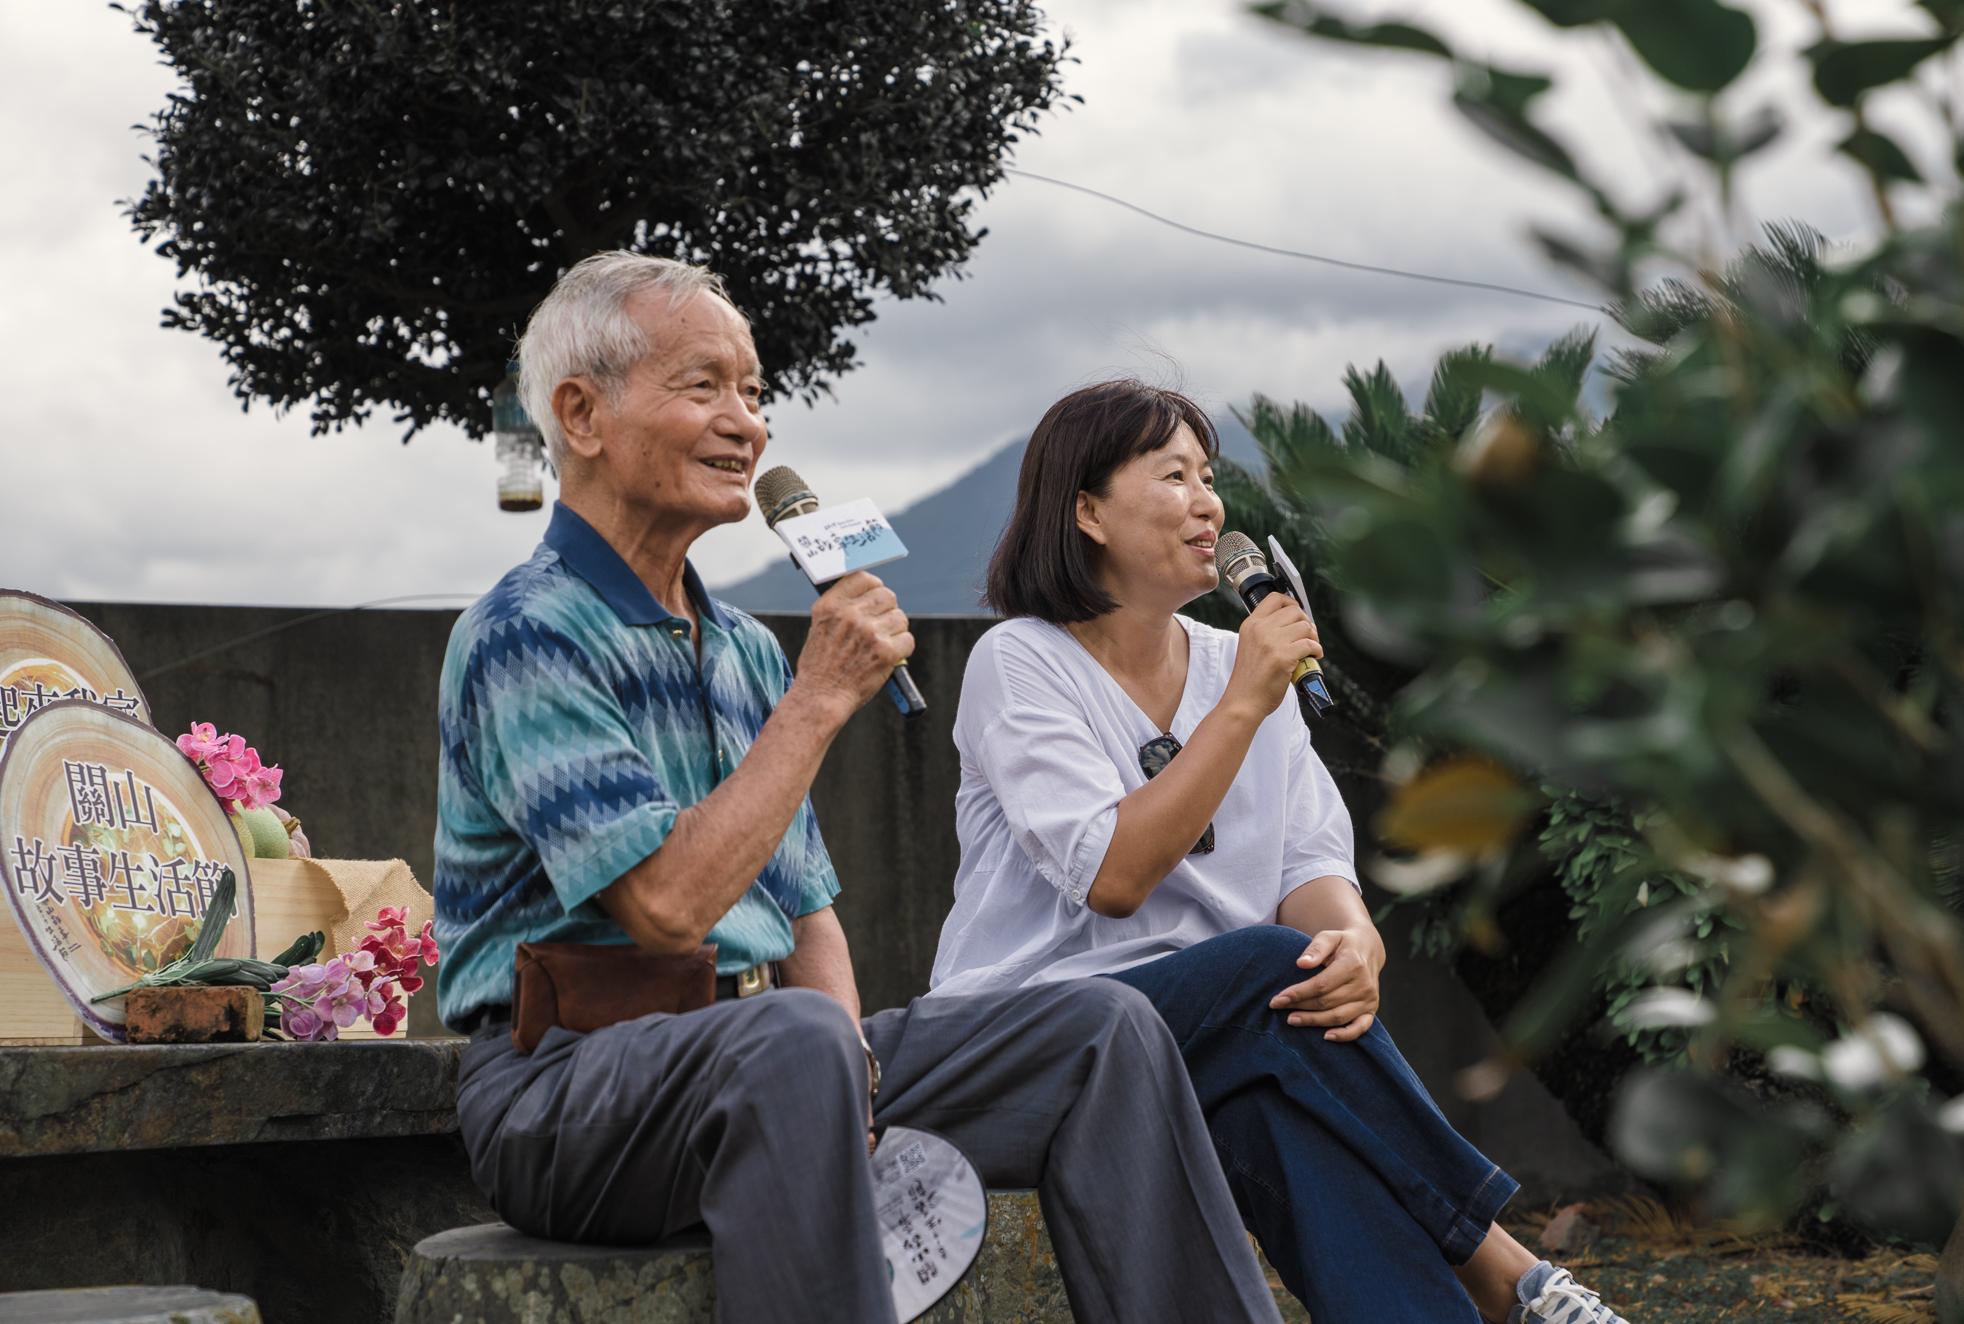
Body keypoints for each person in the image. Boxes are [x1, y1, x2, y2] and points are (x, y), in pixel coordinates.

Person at [433, 254, 1287, 1324]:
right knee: (792, 1041)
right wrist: (821, 696)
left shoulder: (741, 646)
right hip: (565, 1093)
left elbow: (806, 913)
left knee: (1099, 1026)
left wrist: (853, 1065)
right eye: (704, 386)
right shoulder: (526, 631)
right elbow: (664, 907)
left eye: (753, 393)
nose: (746, 423)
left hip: (772, 1058)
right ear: (581, 412)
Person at [927, 379, 1628, 1324]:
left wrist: (1353, 948)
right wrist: (1247, 700)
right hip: (1031, 1040)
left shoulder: (1236, 662)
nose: (1208, 502)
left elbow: (1310, 866)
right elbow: (1114, 876)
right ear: (1086, 510)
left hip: (1215, 1045)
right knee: (1266, 970)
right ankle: (1503, 1266)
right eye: (1172, 475)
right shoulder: (1023, 661)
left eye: (1209, 476)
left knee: (1280, 1114)